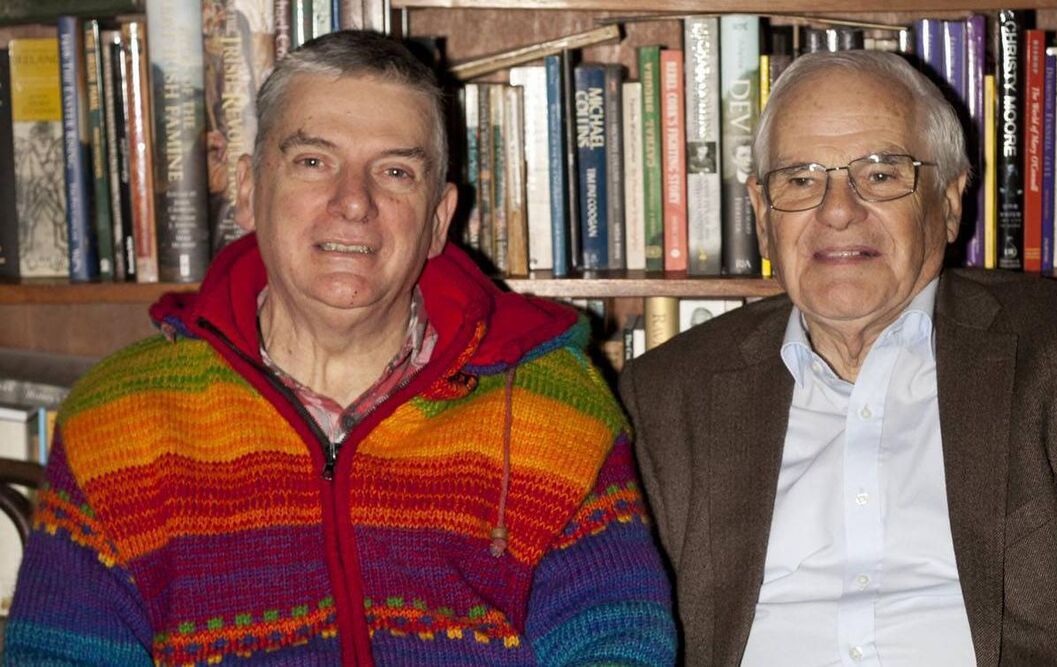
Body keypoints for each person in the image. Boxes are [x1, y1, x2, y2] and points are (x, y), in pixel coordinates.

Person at [6, 31, 675, 666]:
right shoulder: (118, 421)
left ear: (439, 219)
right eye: (313, 161)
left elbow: (618, 642)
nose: (353, 202)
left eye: (395, 171)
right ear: (248, 190)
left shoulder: (550, 407)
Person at [619, 49, 1057, 666]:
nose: (837, 210)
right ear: (762, 217)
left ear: (949, 202)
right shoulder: (665, 394)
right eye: (800, 180)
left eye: (880, 174)